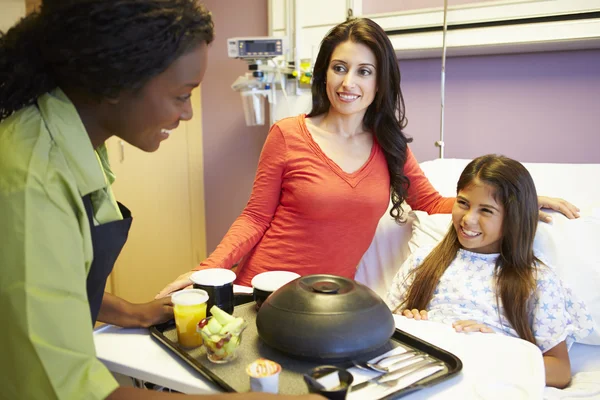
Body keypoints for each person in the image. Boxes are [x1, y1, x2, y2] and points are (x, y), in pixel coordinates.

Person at [0, 1, 322, 399]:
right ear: (116, 83)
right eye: (182, 95)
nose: (187, 114)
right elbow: (68, 389)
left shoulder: (72, 143)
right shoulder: (34, 182)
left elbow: (59, 279)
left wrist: (130, 312)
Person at [157, 17, 579, 295]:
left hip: (332, 297)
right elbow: (254, 218)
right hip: (265, 287)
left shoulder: (389, 145)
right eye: (340, 68)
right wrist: (205, 273)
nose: (348, 83)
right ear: (324, 72)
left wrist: (520, 200)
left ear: (379, 82)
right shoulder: (287, 135)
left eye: (364, 71)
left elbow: (431, 202)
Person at [385, 154, 594, 389]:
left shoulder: (536, 280)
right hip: (425, 378)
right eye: (463, 203)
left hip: (486, 382)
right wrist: (409, 326)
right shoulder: (422, 261)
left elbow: (560, 371)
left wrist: (493, 351)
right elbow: (382, 338)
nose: (468, 219)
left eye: (486, 210)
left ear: (513, 218)